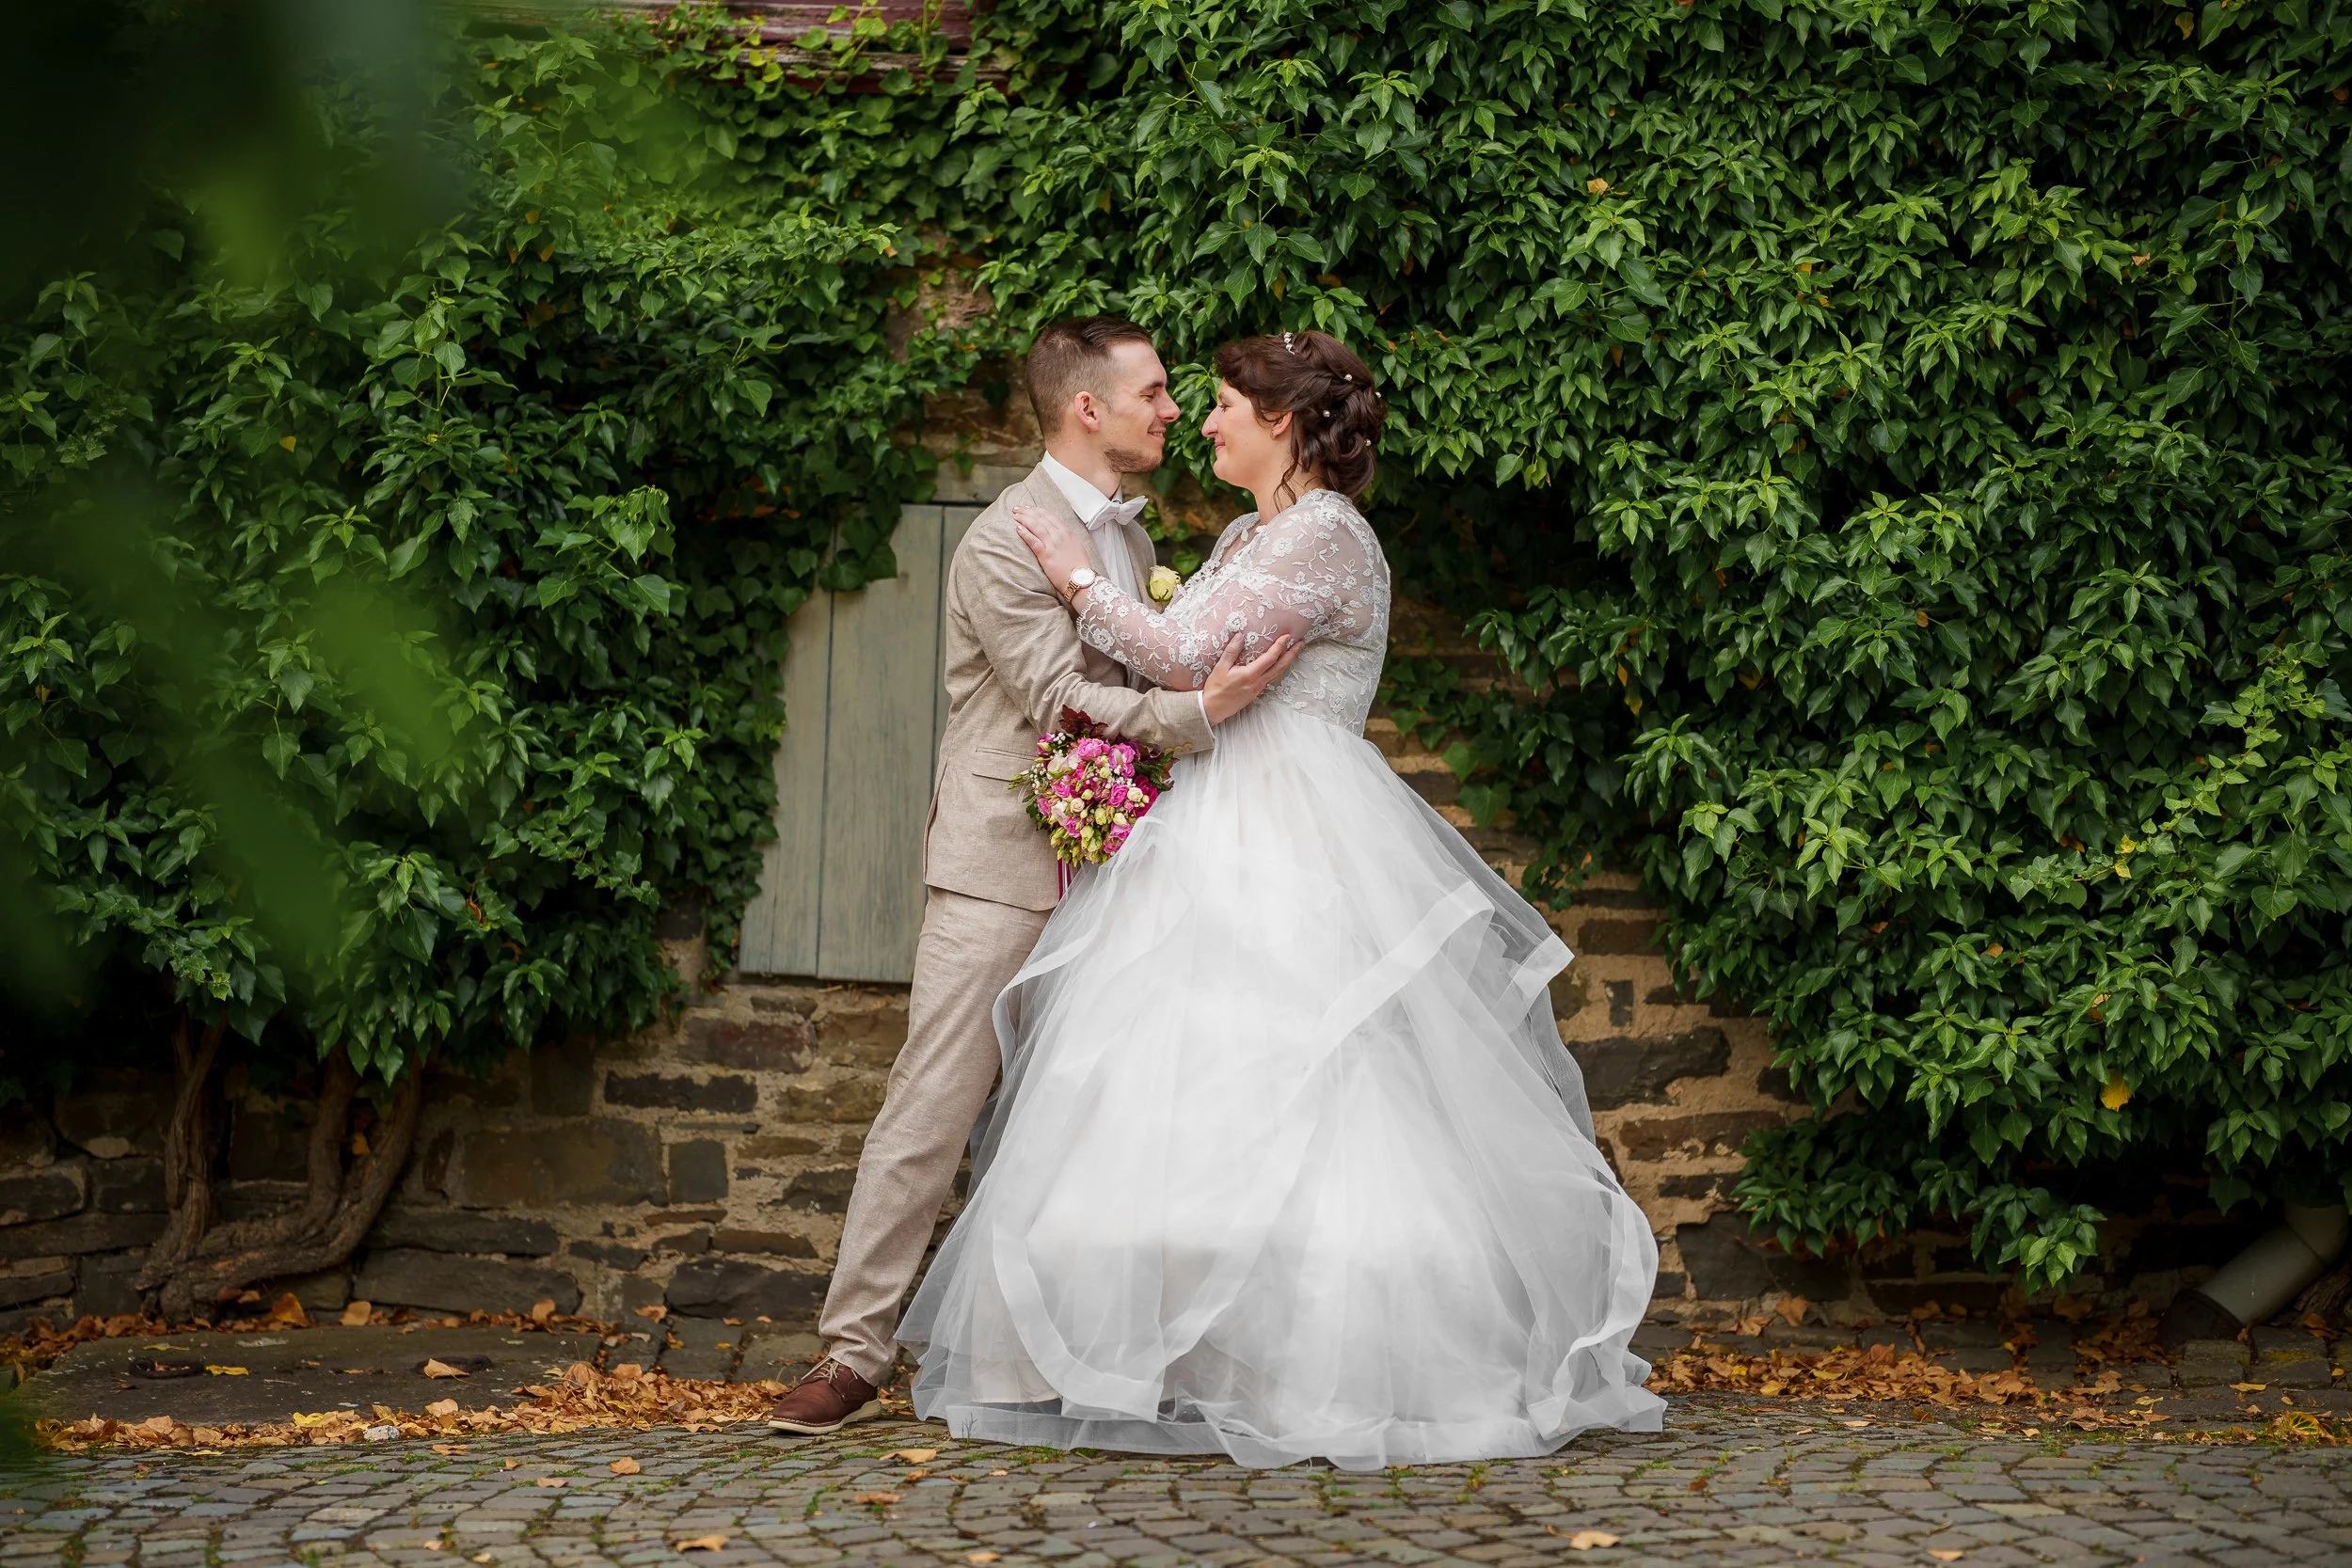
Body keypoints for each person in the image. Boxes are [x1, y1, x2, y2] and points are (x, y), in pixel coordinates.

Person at [894, 329, 1663, 1468]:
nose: (1201, 423)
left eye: (1220, 405)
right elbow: (1192, 666)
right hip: (1212, 815)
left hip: (1294, 826)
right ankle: (1167, 1354)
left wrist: (1070, 573)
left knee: (1314, 1080)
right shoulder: (1255, 531)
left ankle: (1326, 1358)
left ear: (1284, 422)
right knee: (1175, 1080)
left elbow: (1176, 649)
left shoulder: (1328, 539)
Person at [763, 317, 1300, 1434]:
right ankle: (853, 1351)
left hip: (1119, 868)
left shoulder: (1128, 542)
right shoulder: (1009, 538)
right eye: (1155, 393)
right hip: (1000, 867)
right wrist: (1203, 716)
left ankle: (1062, 1357)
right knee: (934, 1103)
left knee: (1099, 1118)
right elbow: (1063, 695)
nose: (1173, 411)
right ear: (1086, 409)